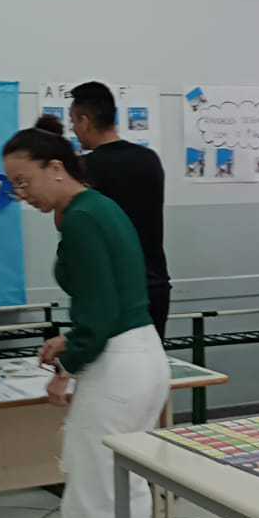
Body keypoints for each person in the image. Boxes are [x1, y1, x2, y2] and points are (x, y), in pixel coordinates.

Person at [4, 116, 170, 518]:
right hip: (143, 354)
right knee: (129, 494)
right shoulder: (102, 207)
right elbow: (111, 302)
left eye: (25, 181)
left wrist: (66, 369)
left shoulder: (80, 219)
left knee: (90, 500)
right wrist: (72, 340)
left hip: (116, 366)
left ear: (56, 167)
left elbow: (97, 315)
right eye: (14, 186)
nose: (22, 194)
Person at [68, 82, 172, 338]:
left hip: (113, 290)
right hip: (154, 285)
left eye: (73, 122)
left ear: (85, 121)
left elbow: (69, 223)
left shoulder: (85, 168)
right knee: (151, 359)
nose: (74, 130)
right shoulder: (149, 159)